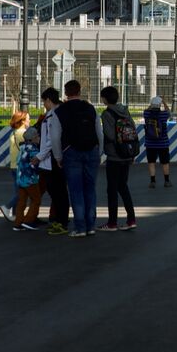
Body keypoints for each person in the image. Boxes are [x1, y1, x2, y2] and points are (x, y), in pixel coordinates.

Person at [50, 79, 103, 238]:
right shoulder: (90, 108)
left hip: (71, 152)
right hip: (91, 151)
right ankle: (91, 226)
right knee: (90, 189)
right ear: (80, 91)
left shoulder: (59, 111)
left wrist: (58, 156)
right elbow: (99, 132)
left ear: (66, 93)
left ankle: (80, 228)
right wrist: (99, 152)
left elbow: (55, 137)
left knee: (76, 190)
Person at [99, 86, 138, 231]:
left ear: (104, 99)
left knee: (112, 190)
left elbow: (109, 135)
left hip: (114, 156)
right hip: (127, 155)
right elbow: (132, 130)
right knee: (123, 187)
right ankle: (131, 219)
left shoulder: (107, 114)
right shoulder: (125, 111)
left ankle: (112, 223)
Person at [35, 87, 69, 235]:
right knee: (56, 191)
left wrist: (39, 156)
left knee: (58, 191)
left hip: (54, 159)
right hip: (54, 158)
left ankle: (62, 221)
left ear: (49, 100)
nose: (44, 104)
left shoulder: (53, 115)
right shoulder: (56, 113)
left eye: (44, 101)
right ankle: (59, 220)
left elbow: (51, 140)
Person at [13, 122, 44, 231]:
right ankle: (29, 221)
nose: (39, 138)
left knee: (21, 201)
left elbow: (18, 161)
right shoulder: (34, 150)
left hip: (20, 178)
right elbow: (35, 165)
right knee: (36, 200)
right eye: (38, 136)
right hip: (30, 180)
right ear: (33, 138)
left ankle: (18, 223)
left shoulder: (22, 148)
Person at [2, 111, 26, 223]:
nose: (29, 121)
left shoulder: (13, 132)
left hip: (13, 165)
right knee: (22, 192)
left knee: (19, 191)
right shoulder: (22, 133)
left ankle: (16, 215)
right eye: (28, 119)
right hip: (20, 166)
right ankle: (7, 207)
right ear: (22, 121)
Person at [143, 95, 172, 187]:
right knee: (165, 162)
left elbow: (148, 109)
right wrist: (163, 101)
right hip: (163, 143)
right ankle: (166, 181)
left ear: (152, 104)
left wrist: (151, 105)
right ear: (159, 105)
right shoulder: (163, 115)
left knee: (151, 162)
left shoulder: (146, 114)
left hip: (150, 143)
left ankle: (152, 181)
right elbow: (168, 111)